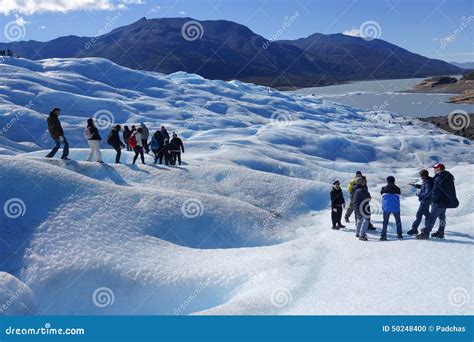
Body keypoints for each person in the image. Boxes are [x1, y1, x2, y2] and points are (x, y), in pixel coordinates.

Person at [417, 163, 459, 240]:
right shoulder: (448, 177)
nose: (434, 169)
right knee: (442, 217)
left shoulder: (438, 178)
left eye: (435, 167)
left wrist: (432, 200)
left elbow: (436, 192)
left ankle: (425, 233)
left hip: (438, 202)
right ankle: (441, 232)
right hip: (445, 202)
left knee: (431, 218)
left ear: (439, 168)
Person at [407, 169, 433, 235]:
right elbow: (423, 187)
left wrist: (419, 194)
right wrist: (415, 185)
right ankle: (427, 228)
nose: (421, 177)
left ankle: (414, 229)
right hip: (426, 201)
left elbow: (427, 193)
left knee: (419, 214)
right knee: (427, 214)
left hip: (425, 201)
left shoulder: (428, 182)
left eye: (421, 176)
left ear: (423, 176)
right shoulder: (427, 181)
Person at [380, 176, 403, 240]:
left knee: (385, 222)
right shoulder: (398, 189)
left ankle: (383, 236)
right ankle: (399, 235)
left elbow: (382, 195)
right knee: (398, 222)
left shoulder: (383, 188)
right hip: (396, 208)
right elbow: (399, 195)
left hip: (386, 208)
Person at [353, 176, 371, 241]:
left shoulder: (355, 188)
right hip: (362, 208)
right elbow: (369, 197)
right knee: (366, 220)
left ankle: (358, 233)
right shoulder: (361, 190)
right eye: (363, 181)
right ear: (361, 182)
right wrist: (367, 193)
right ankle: (362, 235)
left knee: (360, 220)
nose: (365, 182)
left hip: (357, 207)